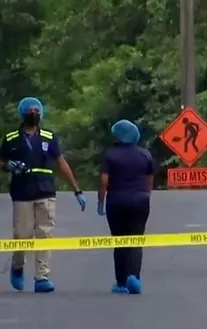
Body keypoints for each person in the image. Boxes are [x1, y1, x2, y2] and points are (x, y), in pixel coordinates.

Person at [0, 97, 85, 293]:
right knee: (22, 235)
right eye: (30, 110)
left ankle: (42, 277)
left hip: (45, 191)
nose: (33, 113)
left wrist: (76, 190)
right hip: (22, 192)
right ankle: (17, 266)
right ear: (22, 113)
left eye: (37, 110)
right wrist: (7, 165)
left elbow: (61, 163)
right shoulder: (11, 138)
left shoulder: (48, 137)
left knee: (45, 233)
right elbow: (1, 160)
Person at [97, 119, 155, 295]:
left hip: (117, 201)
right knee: (136, 239)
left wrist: (101, 202)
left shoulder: (110, 155)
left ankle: (121, 282)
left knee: (119, 240)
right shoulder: (145, 154)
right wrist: (146, 195)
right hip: (140, 200)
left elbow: (104, 181)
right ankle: (134, 277)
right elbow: (149, 179)